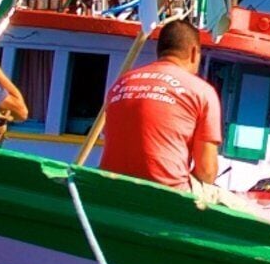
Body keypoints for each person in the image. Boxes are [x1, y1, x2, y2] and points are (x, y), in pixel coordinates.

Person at [96, 16, 224, 187]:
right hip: (166, 193)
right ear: (194, 53)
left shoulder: (121, 83)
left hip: (110, 186)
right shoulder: (202, 91)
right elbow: (206, 172)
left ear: (160, 51)